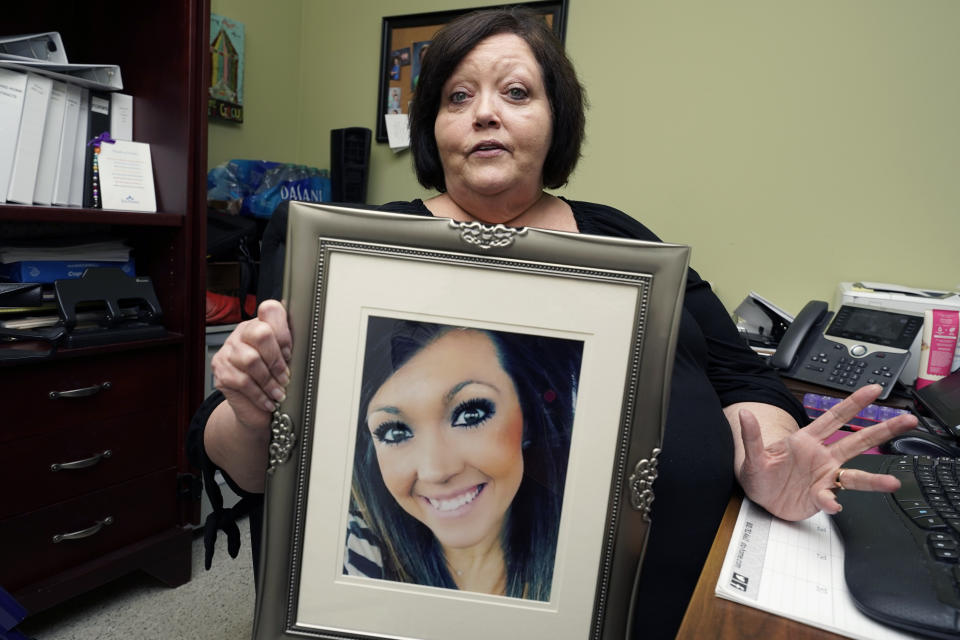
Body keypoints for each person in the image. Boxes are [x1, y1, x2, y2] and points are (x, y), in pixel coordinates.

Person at [188, 7, 918, 638]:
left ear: (555, 121)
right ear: (433, 127)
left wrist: (770, 451)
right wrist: (251, 411)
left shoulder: (626, 243)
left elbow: (742, 373)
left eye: (515, 92)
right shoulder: (358, 256)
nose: (484, 113)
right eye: (457, 96)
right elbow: (244, 461)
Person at [344, 317, 582, 601]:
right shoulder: (349, 549)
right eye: (395, 432)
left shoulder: (590, 560)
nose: (436, 470)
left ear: (529, 419)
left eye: (470, 415)